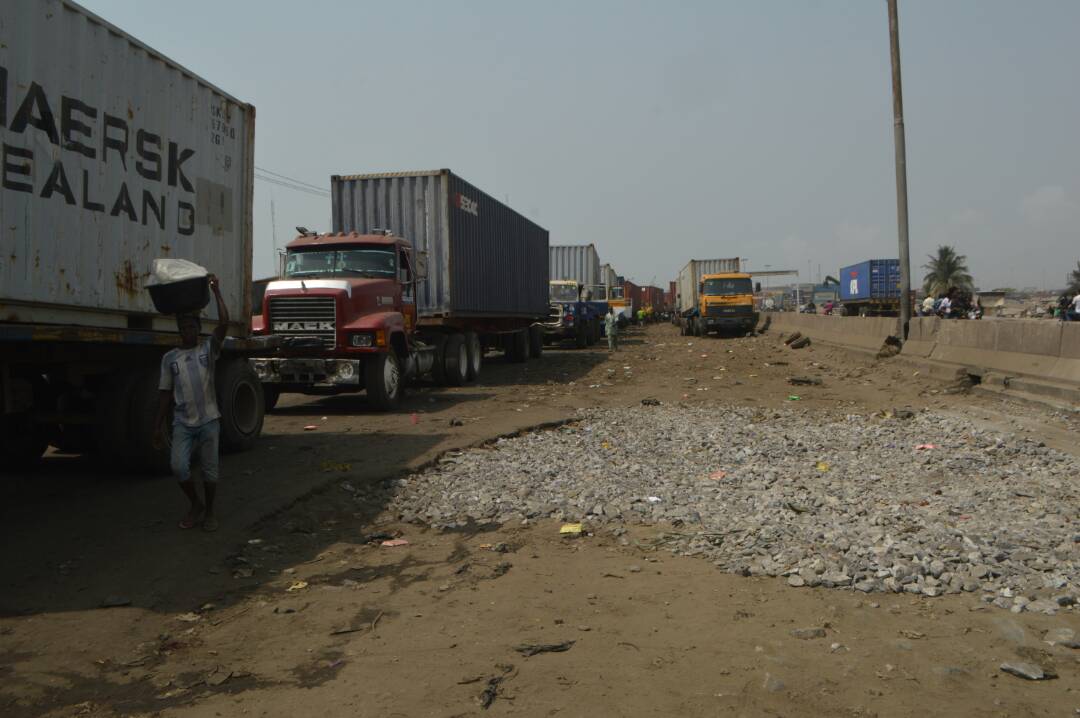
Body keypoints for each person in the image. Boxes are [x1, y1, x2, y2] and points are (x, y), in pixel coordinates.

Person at [154, 275, 229, 531]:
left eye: (192, 327)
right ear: (180, 331)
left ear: (198, 329)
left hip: (209, 420)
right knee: (178, 467)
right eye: (184, 328)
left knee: (210, 471)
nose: (188, 331)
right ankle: (195, 504)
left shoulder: (208, 350)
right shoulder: (170, 359)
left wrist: (217, 292)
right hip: (183, 423)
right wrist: (157, 425)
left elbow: (224, 323)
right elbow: (165, 393)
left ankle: (209, 512)